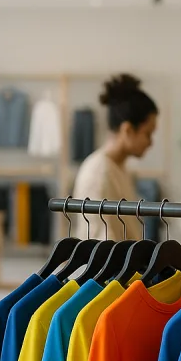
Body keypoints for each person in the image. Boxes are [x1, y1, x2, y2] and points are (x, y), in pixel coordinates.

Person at [71, 73, 158, 240]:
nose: (150, 143)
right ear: (127, 130)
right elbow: (101, 250)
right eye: (148, 134)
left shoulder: (118, 168)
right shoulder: (98, 173)